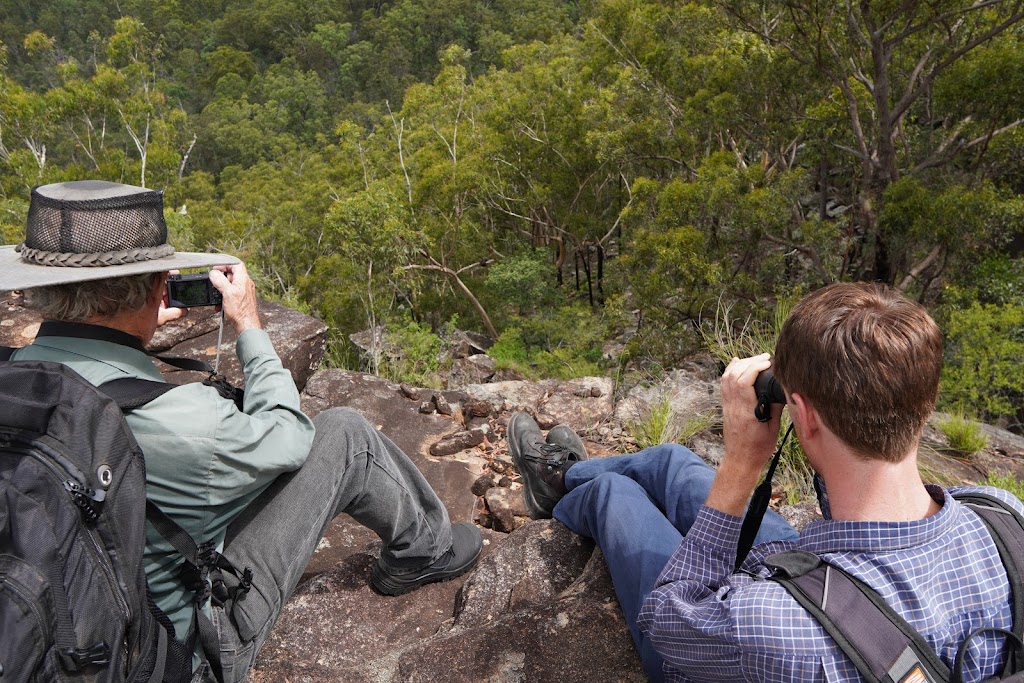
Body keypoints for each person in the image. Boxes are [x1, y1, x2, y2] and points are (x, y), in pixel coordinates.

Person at [0, 180, 482, 683]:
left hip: (48, 631)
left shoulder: (13, 380)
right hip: (171, 660)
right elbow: (289, 436)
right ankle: (426, 550)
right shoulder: (190, 421)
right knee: (346, 433)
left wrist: (133, 325)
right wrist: (249, 324)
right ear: (152, 286)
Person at [509, 282, 1024, 682]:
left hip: (757, 641)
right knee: (670, 462)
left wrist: (741, 464)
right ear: (927, 401)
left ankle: (559, 489)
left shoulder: (769, 623)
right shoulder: (1004, 517)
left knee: (616, 493)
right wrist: (816, 418)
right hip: (839, 592)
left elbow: (668, 618)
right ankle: (568, 472)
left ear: (804, 416)